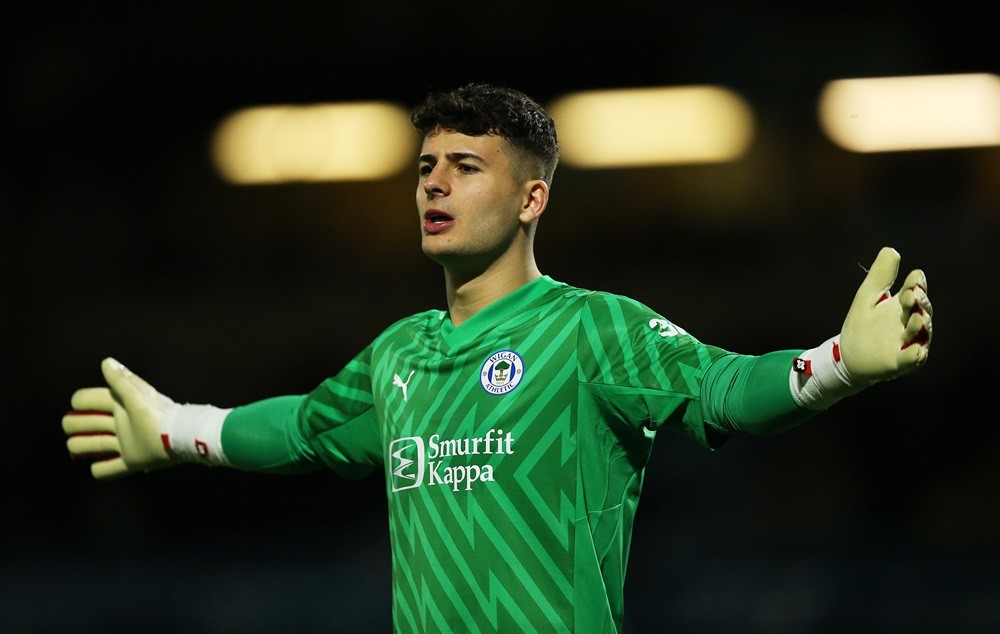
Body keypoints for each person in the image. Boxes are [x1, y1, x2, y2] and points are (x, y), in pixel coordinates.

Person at [62, 83, 933, 633]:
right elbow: (303, 428)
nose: (434, 182)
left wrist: (836, 365)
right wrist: (176, 428)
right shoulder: (400, 354)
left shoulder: (593, 329)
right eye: (427, 164)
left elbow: (721, 388)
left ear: (532, 197)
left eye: (466, 165)